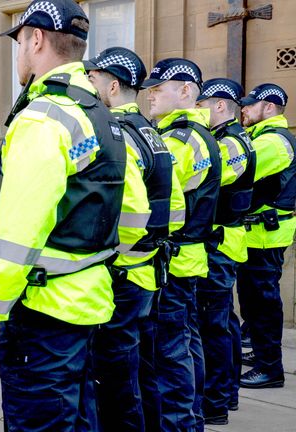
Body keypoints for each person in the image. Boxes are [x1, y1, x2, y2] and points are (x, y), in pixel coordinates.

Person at [0, 1, 127, 430]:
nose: (18, 53)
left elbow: (18, 234)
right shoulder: (98, 115)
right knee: (78, 415)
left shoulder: (44, 118)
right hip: (86, 301)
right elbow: (128, 213)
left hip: (43, 312)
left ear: (35, 40)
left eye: (18, 42)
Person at [85, 47, 184, 432]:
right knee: (143, 371)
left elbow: (132, 213)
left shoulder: (116, 135)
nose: (87, 86)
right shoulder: (151, 133)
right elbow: (174, 206)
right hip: (148, 271)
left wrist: (115, 257)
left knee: (116, 380)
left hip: (124, 276)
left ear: (111, 86)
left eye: (92, 80)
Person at [143, 58, 221, 432]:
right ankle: (192, 418)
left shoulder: (181, 139)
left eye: (159, 88)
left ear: (187, 91)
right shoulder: (192, 134)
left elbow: (151, 191)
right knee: (186, 345)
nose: (150, 95)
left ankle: (180, 424)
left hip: (174, 260)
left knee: (170, 353)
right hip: (187, 258)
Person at [195, 78, 255, 425]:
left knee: (214, 326)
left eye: (202, 104)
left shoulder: (231, 143)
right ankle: (226, 393)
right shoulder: (226, 138)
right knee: (224, 323)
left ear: (219, 105)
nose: (197, 110)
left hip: (220, 243)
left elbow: (211, 182)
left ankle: (216, 400)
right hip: (222, 242)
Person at [236, 83, 295, 389]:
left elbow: (239, 173)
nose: (243, 109)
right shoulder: (264, 137)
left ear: (268, 107)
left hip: (264, 236)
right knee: (255, 303)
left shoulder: (272, 142)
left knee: (263, 304)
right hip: (259, 234)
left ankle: (270, 368)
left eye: (249, 105)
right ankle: (261, 355)